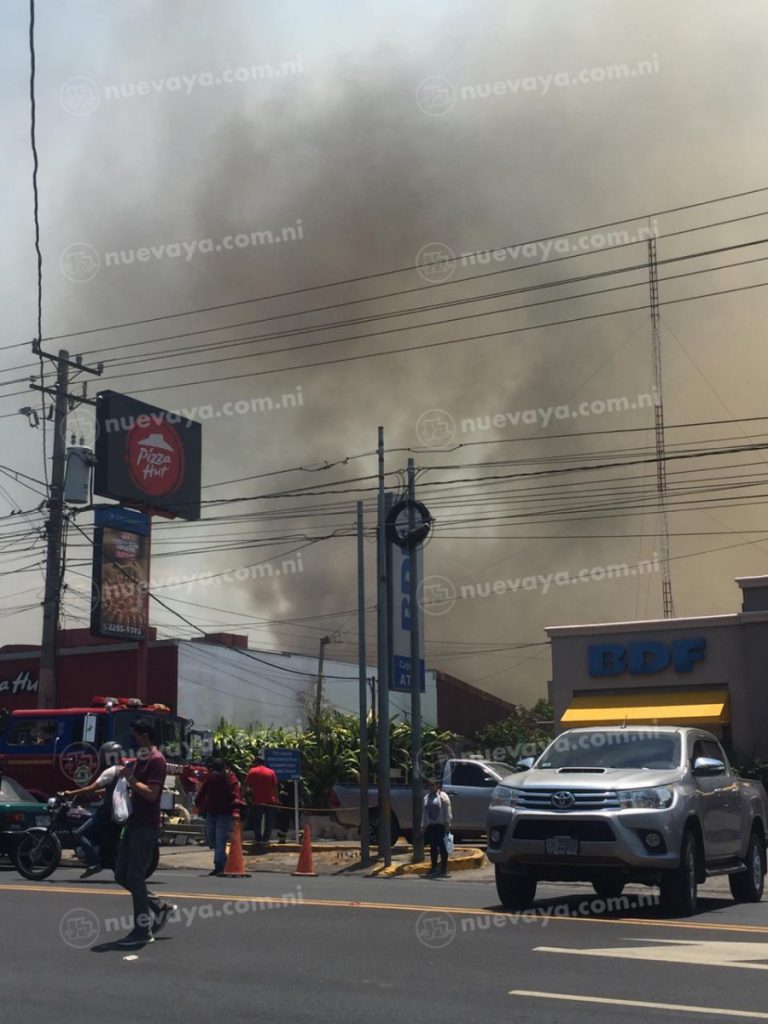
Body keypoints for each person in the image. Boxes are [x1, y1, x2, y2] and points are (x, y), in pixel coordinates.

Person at [114, 719, 177, 948]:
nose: (131, 739)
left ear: (144, 736)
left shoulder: (156, 761)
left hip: (145, 826)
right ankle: (159, 906)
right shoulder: (140, 759)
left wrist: (130, 779)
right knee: (121, 874)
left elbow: (151, 794)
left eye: (133, 735)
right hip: (133, 823)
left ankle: (142, 930)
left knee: (135, 876)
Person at [63, 740, 124, 879]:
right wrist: (94, 793)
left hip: (107, 811)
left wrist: (72, 793)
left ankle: (93, 863)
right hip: (116, 812)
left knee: (79, 833)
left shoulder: (109, 771)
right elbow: (109, 789)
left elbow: (92, 787)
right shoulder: (122, 770)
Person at [194, 757, 244, 876]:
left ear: (223, 770)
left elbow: (236, 796)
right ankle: (223, 859)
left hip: (224, 813)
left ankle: (219, 865)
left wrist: (236, 811)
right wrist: (198, 802)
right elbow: (203, 790)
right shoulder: (212, 777)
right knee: (211, 837)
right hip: (211, 812)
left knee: (220, 839)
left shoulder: (231, 780)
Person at [244, 755, 278, 846]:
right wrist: (276, 799)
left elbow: (245, 785)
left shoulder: (252, 771)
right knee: (269, 822)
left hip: (257, 801)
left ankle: (258, 839)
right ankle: (265, 840)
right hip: (270, 801)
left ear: (256, 762)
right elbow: (275, 787)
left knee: (256, 821)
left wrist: (242, 796)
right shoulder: (271, 772)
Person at [422, 778, 452, 878]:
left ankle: (444, 868)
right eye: (429, 785)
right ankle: (434, 867)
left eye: (433, 785)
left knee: (443, 848)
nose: (431, 787)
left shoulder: (443, 797)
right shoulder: (427, 797)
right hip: (431, 826)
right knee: (433, 848)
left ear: (437, 785)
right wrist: (424, 825)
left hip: (441, 826)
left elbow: (447, 812)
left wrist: (447, 824)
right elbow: (424, 813)